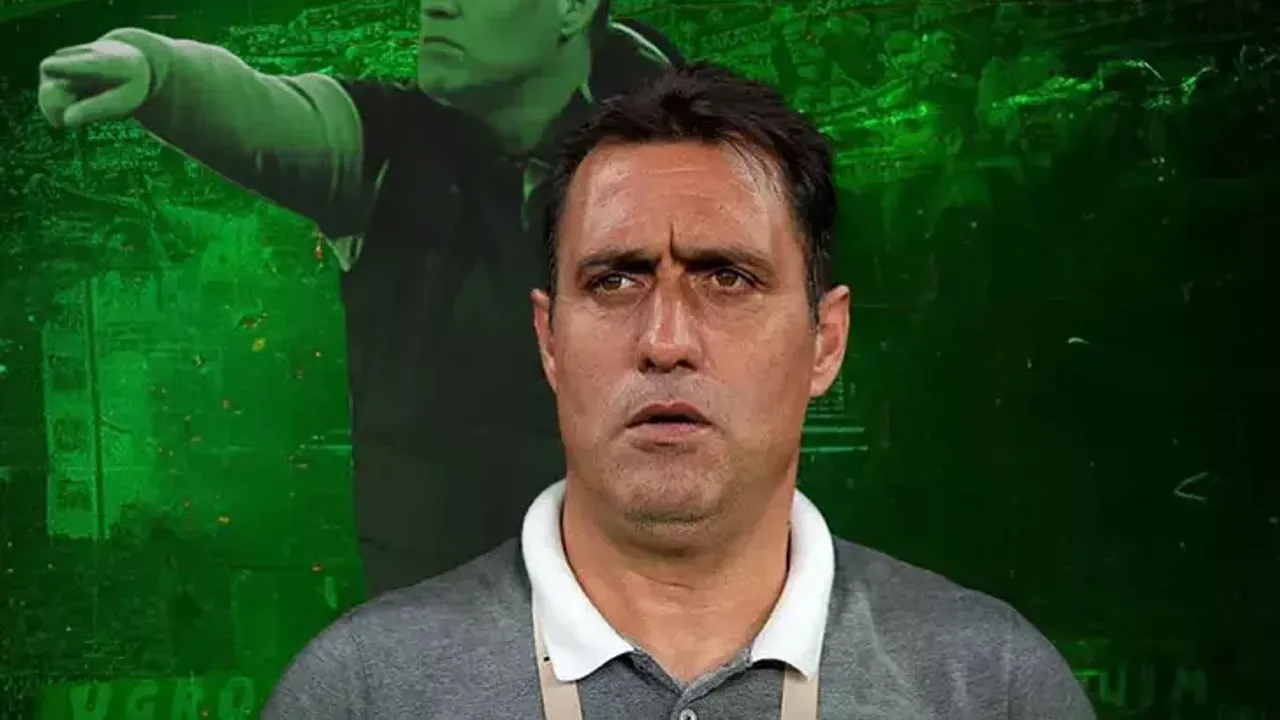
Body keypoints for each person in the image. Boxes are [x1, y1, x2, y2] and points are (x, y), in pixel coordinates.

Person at [261, 63, 1096, 719]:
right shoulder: (363, 693)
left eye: (727, 278)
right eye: (615, 281)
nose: (665, 342)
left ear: (826, 341)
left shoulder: (990, 686)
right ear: (549, 340)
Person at [35, 0, 684, 596]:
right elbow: (268, 113)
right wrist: (156, 71)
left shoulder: (686, 164)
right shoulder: (387, 150)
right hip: (434, 628)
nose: (437, 5)